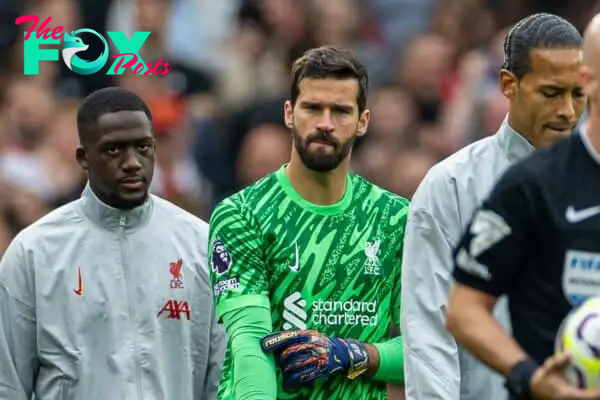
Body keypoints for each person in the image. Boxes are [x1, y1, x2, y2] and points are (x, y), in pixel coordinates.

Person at [401, 12, 586, 400]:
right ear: (508, 85)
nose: (568, 111)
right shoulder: (450, 185)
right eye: (552, 93)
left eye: (578, 93)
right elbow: (428, 333)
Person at [208, 45, 408, 399]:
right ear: (289, 113)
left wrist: (355, 355)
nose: (325, 123)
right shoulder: (242, 214)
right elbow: (250, 343)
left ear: (363, 122)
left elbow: (426, 348)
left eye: (341, 111)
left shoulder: (394, 218)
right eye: (312, 107)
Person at [0, 87, 225, 400]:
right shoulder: (34, 253)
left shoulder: (201, 246)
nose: (132, 162)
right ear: (84, 157)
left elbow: (223, 380)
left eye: (143, 147)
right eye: (114, 150)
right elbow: (7, 384)